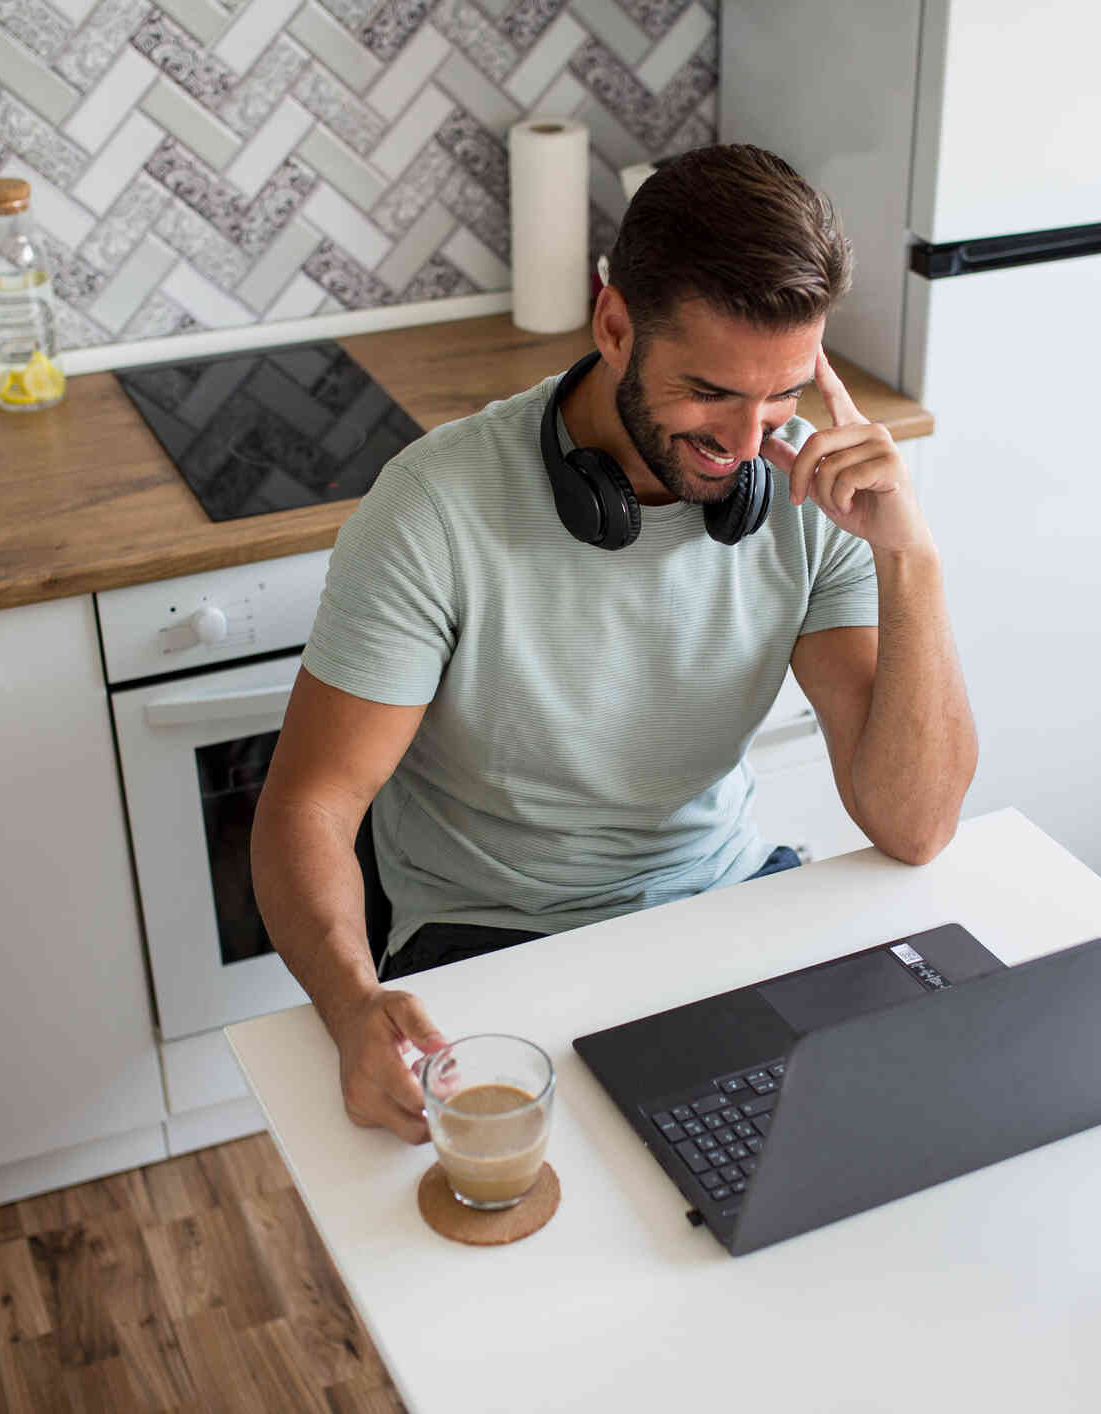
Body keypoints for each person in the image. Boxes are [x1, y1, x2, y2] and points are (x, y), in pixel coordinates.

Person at [249, 144, 976, 1143]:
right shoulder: (434, 508)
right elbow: (310, 805)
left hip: (722, 903)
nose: (747, 442)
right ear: (613, 324)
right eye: (712, 391)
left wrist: (914, 562)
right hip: (494, 944)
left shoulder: (814, 499)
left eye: (783, 397)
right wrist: (349, 1002)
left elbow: (917, 825)